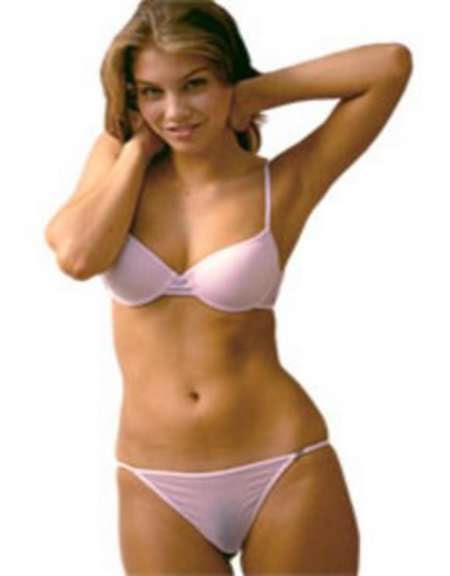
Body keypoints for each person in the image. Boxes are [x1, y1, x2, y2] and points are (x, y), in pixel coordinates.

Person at [44, 0, 412, 573]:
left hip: (282, 462)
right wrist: (137, 151)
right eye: (152, 92)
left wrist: (254, 94)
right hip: (156, 479)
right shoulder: (115, 161)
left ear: (227, 78)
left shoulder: (281, 184)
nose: (174, 111)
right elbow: (76, 255)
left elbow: (389, 65)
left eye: (194, 84)